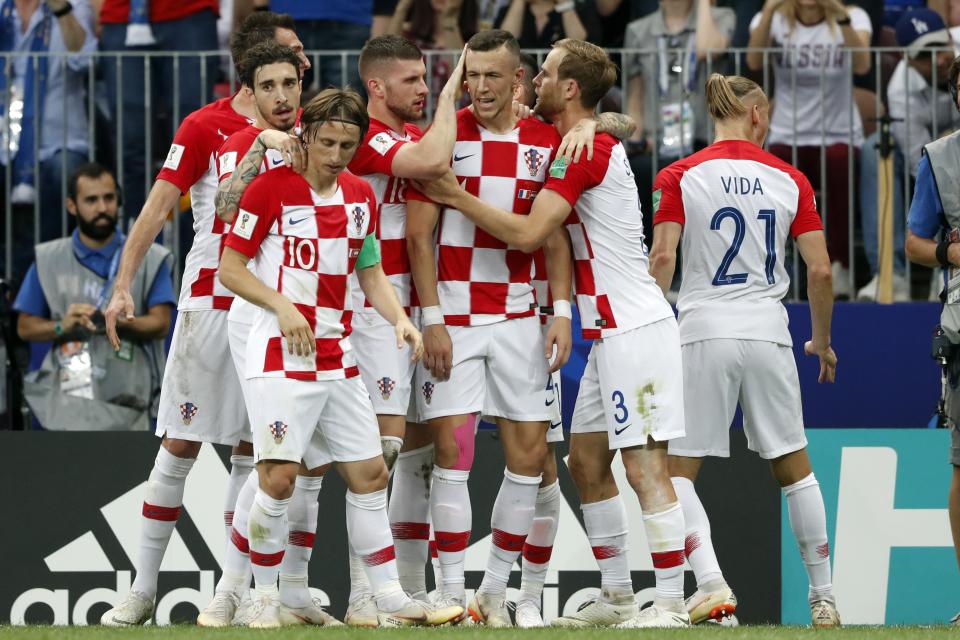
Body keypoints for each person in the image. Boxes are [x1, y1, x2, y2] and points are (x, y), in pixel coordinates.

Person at [415, 38, 691, 629]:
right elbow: (599, 121)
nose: (528, 83)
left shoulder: (577, 151)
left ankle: (669, 603)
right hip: (607, 331)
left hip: (635, 325)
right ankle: (617, 595)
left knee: (644, 470)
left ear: (568, 89)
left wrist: (455, 194)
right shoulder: (577, 136)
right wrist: (595, 121)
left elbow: (532, 235)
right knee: (586, 462)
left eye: (540, 74)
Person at [217, 88, 462, 628]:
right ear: (304, 135)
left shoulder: (358, 196)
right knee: (278, 478)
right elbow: (229, 270)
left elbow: (369, 271)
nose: (335, 155)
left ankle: (391, 597)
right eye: (326, 142)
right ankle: (261, 598)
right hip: (280, 357)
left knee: (371, 473)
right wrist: (281, 306)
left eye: (347, 145)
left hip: (338, 357)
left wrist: (399, 317)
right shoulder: (268, 191)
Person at [98, 12, 310, 626]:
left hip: (272, 312)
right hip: (209, 304)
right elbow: (156, 208)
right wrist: (122, 287)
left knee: (253, 453)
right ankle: (140, 590)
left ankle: (231, 591)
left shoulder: (306, 125)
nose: (300, 69)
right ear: (254, 68)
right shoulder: (204, 126)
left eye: (296, 63)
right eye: (290, 57)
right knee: (179, 445)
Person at [648, 73, 840, 628]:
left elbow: (663, 259)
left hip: (703, 328)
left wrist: (647, 326)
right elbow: (821, 270)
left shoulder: (680, 174)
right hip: (767, 330)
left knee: (676, 472)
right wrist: (821, 343)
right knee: (796, 470)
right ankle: (823, 597)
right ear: (758, 115)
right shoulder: (790, 179)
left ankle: (712, 587)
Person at [406, 29, 573, 626]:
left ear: (518, 81)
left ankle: (495, 593)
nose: (479, 87)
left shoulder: (544, 138)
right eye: (471, 75)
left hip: (521, 314)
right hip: (454, 312)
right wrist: (432, 319)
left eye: (492, 76)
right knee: (452, 453)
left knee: (529, 458)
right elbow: (418, 236)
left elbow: (553, 235)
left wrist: (561, 311)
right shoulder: (445, 137)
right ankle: (451, 592)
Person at [193, 41, 343, 627]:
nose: (281, 97)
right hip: (258, 315)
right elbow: (225, 211)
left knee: (311, 463)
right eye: (268, 87)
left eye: (290, 83)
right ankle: (238, 589)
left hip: (324, 318)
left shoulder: (328, 137)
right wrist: (259, 148)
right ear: (250, 93)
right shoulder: (240, 144)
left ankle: (294, 593)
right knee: (271, 457)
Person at [341, 34, 463, 626]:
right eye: (412, 80)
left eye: (426, 79)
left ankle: (402, 591)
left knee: (411, 454)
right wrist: (450, 94)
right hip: (370, 309)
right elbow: (432, 162)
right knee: (375, 453)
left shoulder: (408, 135)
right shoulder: (361, 136)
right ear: (376, 87)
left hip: (409, 311)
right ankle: (361, 593)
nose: (422, 88)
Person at [14, 162, 174, 431]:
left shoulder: (149, 256)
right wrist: (61, 325)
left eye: (109, 198)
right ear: (71, 206)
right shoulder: (49, 258)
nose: (102, 208)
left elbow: (161, 324)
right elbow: (24, 327)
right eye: (91, 200)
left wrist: (116, 320)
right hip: (67, 403)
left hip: (133, 399)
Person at [747, 0, 872, 299]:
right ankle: (775, 264)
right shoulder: (775, 20)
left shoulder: (853, 17)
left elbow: (863, 64)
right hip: (789, 133)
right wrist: (769, 10)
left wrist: (840, 18)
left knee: (839, 164)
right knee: (770, 181)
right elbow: (753, 60)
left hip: (839, 132)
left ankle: (839, 264)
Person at [904, 54, 960, 628]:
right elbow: (915, 244)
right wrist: (952, 252)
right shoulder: (939, 158)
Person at [99, 0, 221, 221]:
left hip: (190, 13)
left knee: (195, 143)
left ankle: (197, 245)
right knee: (130, 142)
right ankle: (134, 245)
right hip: (121, 15)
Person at [0, 0, 97, 278]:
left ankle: (37, 274)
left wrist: (62, 11)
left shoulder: (72, 6)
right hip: (5, 140)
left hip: (59, 141)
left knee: (63, 173)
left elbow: (84, 60)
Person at [623, 0, 736, 237]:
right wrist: (637, 142)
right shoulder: (638, 30)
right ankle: (655, 266)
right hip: (656, 142)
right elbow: (635, 91)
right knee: (643, 183)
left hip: (703, 140)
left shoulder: (720, 16)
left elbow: (708, 48)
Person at [496, 0, 602, 48]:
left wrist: (564, 3)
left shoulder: (581, 9)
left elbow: (580, 45)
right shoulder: (508, 11)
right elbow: (505, 41)